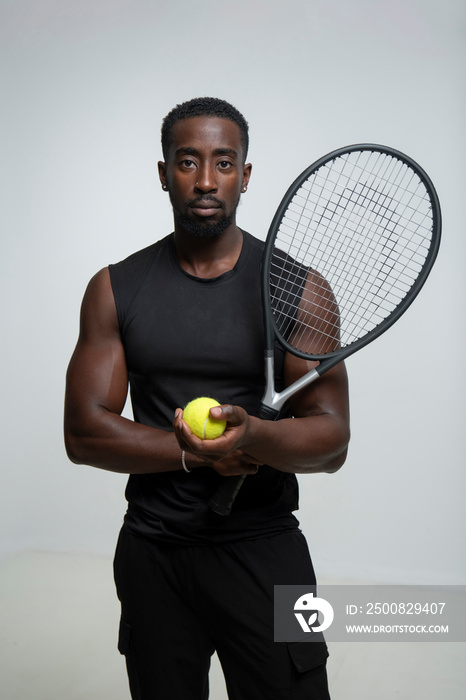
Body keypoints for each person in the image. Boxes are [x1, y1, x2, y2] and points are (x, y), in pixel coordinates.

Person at [64, 97, 350, 700]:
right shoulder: (116, 287)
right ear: (164, 172)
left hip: (268, 549)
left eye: (224, 162)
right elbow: (83, 433)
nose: (205, 180)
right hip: (153, 551)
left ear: (245, 175)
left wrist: (256, 437)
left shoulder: (301, 288)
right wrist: (194, 454)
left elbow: (331, 441)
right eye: (187, 161)